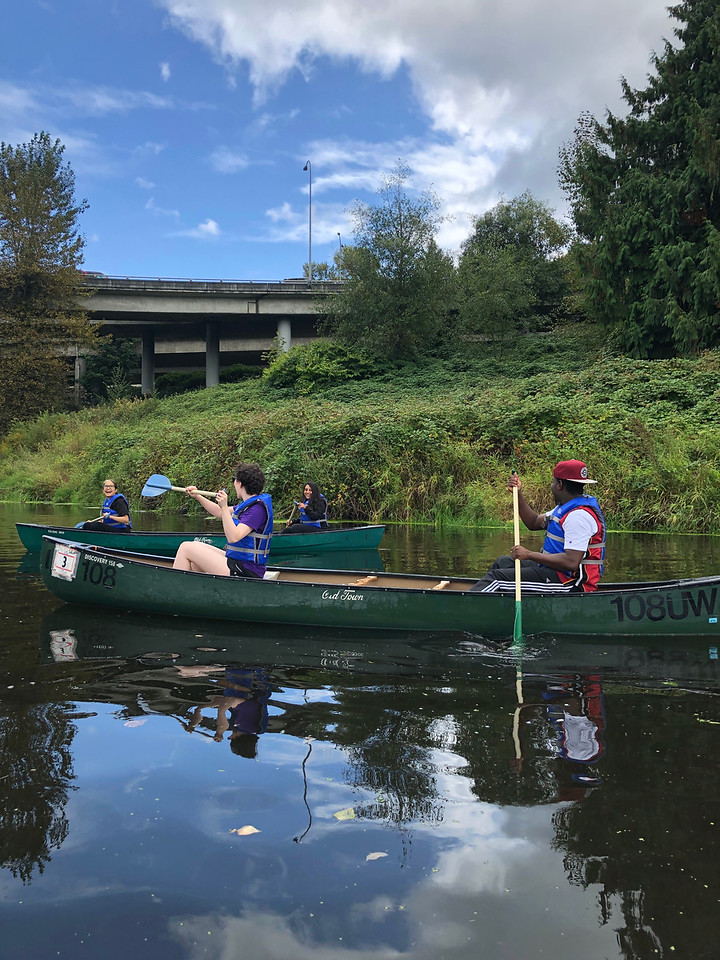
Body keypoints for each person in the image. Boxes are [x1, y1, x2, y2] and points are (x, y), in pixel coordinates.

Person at [471, 459, 606, 593]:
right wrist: (518, 493)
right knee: (502, 563)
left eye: (553, 482)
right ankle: (494, 604)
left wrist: (529, 554)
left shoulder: (578, 517)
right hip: (553, 570)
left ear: (560, 484)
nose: (552, 486)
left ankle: (465, 606)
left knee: (496, 579)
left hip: (569, 583)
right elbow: (533, 522)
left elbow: (571, 562)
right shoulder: (564, 509)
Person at [172, 462, 273, 578]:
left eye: (234, 479)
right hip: (240, 563)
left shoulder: (256, 510)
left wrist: (224, 507)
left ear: (240, 483)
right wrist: (198, 496)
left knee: (186, 548)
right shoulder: (249, 505)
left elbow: (234, 537)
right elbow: (219, 512)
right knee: (195, 552)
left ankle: (176, 588)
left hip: (246, 570)